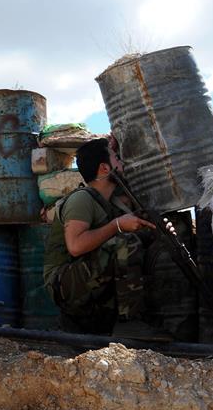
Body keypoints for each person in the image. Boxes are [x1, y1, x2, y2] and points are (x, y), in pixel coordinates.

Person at [42, 137, 169, 341]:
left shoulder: (112, 200)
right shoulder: (81, 199)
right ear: (104, 168)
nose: (122, 163)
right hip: (64, 286)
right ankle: (129, 323)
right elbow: (75, 246)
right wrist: (116, 225)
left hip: (88, 282)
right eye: (117, 159)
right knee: (126, 243)